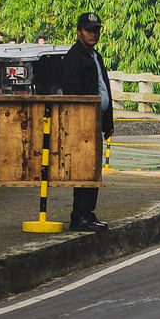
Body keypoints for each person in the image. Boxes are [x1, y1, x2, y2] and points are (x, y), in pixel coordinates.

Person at [61, 12, 114, 231]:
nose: (93, 34)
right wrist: (84, 121)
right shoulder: (74, 58)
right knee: (82, 170)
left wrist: (108, 122)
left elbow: (104, 88)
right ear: (79, 32)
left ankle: (89, 212)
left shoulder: (95, 56)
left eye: (96, 30)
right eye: (89, 30)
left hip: (97, 120)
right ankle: (79, 215)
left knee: (93, 170)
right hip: (82, 122)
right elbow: (74, 95)